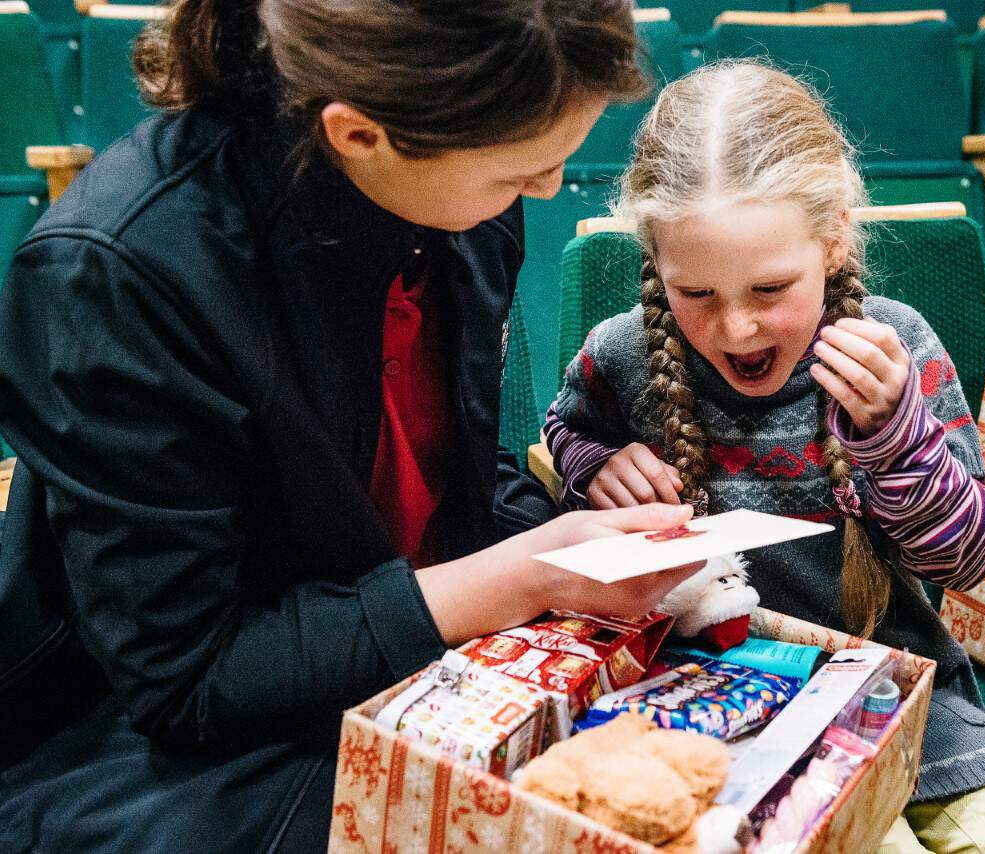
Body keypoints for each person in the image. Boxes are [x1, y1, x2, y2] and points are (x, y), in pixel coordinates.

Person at [0, 2, 700, 850]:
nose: (548, 189)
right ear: (359, 134)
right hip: (173, 744)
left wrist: (587, 545)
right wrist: (522, 577)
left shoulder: (452, 198)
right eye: (518, 173)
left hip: (401, 644)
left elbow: (442, 482)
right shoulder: (118, 269)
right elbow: (188, 682)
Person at [545, 61, 985, 853]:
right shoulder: (621, 355)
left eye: (769, 290)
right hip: (721, 711)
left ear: (833, 238)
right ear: (655, 259)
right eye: (697, 294)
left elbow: (970, 560)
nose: (736, 329)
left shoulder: (897, 347)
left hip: (911, 702)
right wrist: (593, 465)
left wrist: (896, 436)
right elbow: (565, 435)